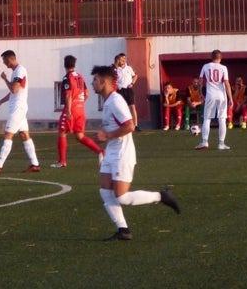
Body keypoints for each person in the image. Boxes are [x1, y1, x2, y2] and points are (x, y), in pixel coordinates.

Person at [91, 64, 180, 241]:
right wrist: (104, 137)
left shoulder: (116, 101)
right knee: (105, 192)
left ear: (103, 82)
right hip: (112, 152)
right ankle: (123, 230)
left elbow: (130, 126)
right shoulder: (108, 101)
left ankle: (161, 196)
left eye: (94, 80)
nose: (92, 83)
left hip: (122, 154)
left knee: (121, 197)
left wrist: (107, 135)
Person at [0, 50, 40, 174]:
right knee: (24, 135)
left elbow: (14, 90)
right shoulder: (16, 71)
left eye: (4, 61)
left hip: (17, 109)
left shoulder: (20, 71)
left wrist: (5, 79)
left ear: (9, 59)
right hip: (19, 108)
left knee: (8, 135)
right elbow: (14, 92)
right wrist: (0, 102)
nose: (4, 63)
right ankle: (35, 164)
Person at [52, 55, 102, 168]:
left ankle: (62, 161)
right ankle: (100, 152)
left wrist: (69, 111)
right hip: (80, 109)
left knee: (62, 132)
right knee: (79, 136)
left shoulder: (67, 78)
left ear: (64, 65)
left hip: (71, 109)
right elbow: (87, 94)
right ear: (74, 64)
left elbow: (69, 95)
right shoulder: (80, 77)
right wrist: (80, 103)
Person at [195, 50, 232, 150]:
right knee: (222, 119)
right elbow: (227, 83)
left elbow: (200, 81)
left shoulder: (205, 66)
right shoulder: (224, 68)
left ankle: (204, 142)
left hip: (210, 95)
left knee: (207, 118)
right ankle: (221, 143)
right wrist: (230, 98)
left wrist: (200, 93)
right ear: (221, 57)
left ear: (211, 57)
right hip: (221, 96)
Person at [114, 53, 139, 131]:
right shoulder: (115, 69)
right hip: (120, 90)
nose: (123, 60)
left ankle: (136, 125)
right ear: (118, 60)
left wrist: (132, 83)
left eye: (124, 59)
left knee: (132, 107)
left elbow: (135, 75)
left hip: (128, 90)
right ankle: (122, 125)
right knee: (121, 108)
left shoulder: (128, 68)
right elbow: (112, 79)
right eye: (122, 59)